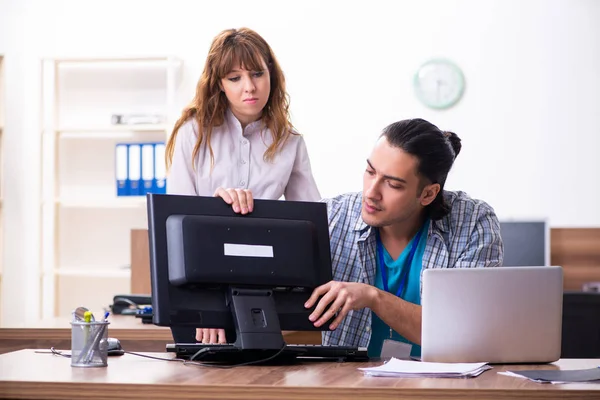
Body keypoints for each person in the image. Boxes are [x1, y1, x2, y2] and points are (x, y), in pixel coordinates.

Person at [221, 118, 503, 357]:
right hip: (351, 386)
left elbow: (460, 331)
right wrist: (228, 216)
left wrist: (372, 297)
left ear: (428, 193)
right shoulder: (332, 216)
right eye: (370, 171)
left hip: (442, 386)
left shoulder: (473, 222)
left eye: (393, 184)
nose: (372, 192)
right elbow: (272, 294)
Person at [165, 27, 321, 344]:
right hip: (199, 288)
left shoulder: (290, 143)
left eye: (257, 74)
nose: (249, 87)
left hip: (262, 288)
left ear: (271, 76)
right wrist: (205, 306)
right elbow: (175, 228)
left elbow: (311, 225)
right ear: (219, 84)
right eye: (234, 78)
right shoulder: (193, 133)